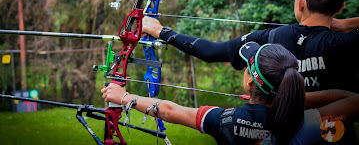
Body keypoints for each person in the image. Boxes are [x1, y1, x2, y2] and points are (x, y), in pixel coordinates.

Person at [143, 0, 359, 92]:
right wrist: (344, 24)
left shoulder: (272, 37)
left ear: (301, 2)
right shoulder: (348, 42)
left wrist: (159, 30)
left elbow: (210, 51)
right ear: (340, 7)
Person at [102, 42, 359, 145]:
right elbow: (353, 100)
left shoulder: (223, 120)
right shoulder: (308, 124)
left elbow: (169, 111)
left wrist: (122, 97)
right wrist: (294, 98)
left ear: (249, 81)